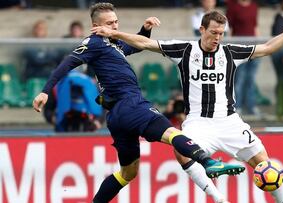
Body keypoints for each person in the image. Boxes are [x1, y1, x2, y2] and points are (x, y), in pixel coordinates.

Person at [91, 10, 283, 203]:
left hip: (229, 121)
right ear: (202, 29)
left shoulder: (231, 53)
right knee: (181, 150)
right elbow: (145, 43)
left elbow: (267, 47)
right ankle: (219, 198)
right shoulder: (184, 50)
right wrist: (114, 33)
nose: (217, 38)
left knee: (266, 166)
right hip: (199, 121)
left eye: (221, 33)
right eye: (213, 32)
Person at [32, 3, 245, 203]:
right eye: (109, 23)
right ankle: (208, 162)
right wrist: (45, 91)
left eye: (116, 22)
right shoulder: (93, 42)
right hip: (130, 104)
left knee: (128, 172)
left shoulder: (111, 44)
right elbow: (68, 62)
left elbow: (134, 47)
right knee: (172, 133)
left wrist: (144, 30)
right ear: (96, 26)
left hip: (117, 115)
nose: (115, 26)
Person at [226, 0, 262, 116]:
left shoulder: (254, 6)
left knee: (251, 79)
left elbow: (255, 26)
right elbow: (229, 29)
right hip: (239, 49)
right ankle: (237, 107)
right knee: (239, 79)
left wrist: (259, 46)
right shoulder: (233, 7)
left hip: (253, 48)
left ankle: (251, 106)